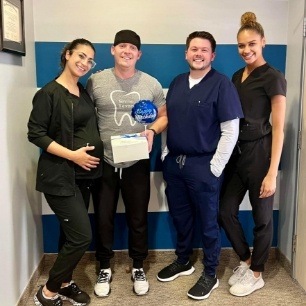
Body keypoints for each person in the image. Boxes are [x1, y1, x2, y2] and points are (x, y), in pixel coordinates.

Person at [156, 31, 243, 300]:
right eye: (194, 49)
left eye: (204, 50)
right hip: (175, 165)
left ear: (212, 56)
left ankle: (210, 272)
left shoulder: (221, 84)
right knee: (180, 217)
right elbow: (169, 120)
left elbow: (231, 130)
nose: (198, 54)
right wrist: (165, 153)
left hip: (204, 166)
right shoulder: (178, 82)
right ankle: (184, 260)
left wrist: (215, 167)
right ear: (186, 53)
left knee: (207, 222)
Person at [86, 29, 167, 297]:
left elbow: (164, 116)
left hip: (136, 160)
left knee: (138, 217)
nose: (127, 51)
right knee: (103, 216)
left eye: (132, 48)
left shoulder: (151, 84)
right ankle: (105, 266)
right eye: (122, 46)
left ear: (139, 54)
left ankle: (138, 265)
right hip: (104, 160)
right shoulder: (95, 81)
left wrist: (153, 131)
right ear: (112, 49)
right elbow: (86, 117)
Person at [28, 38, 103, 306]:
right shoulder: (49, 93)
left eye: (90, 60)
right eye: (80, 56)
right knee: (82, 236)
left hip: (82, 177)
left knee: (69, 234)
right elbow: (35, 134)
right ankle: (47, 292)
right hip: (60, 176)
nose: (84, 63)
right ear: (67, 55)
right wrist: (73, 155)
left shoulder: (81, 90)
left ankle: (64, 282)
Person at [219, 12, 286, 297]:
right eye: (241, 45)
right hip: (237, 152)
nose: (246, 50)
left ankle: (257, 273)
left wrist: (272, 172)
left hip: (261, 151)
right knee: (224, 211)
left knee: (262, 217)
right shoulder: (237, 76)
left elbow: (279, 128)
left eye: (252, 44)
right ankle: (246, 260)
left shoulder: (273, 77)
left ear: (263, 42)